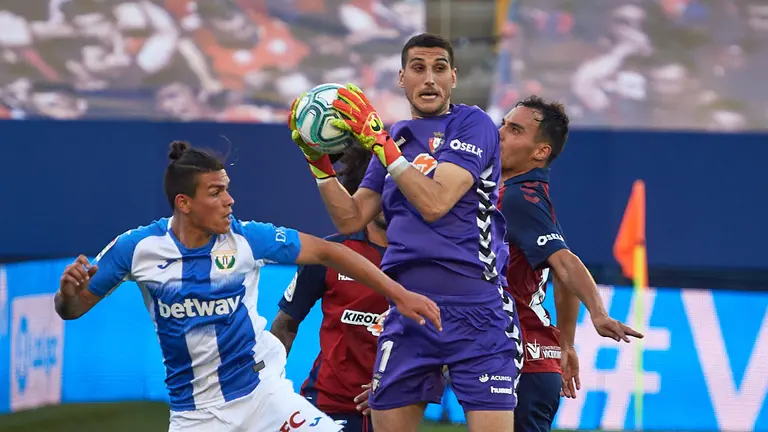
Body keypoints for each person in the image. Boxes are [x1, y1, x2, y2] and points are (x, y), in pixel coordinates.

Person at [53, 140, 441, 432]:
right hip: (197, 415)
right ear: (184, 203)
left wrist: (399, 294)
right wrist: (66, 295)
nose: (230, 201)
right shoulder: (136, 248)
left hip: (263, 395)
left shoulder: (247, 239)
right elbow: (73, 309)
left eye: (227, 188)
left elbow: (328, 252)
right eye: (216, 192)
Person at [289, 32, 520, 432]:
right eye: (418, 68)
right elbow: (350, 219)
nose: (428, 79)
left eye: (439, 69)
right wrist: (319, 164)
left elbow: (435, 203)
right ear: (402, 79)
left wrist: (382, 144)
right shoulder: (395, 137)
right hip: (409, 308)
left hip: (477, 308)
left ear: (453, 78)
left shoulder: (473, 123)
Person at [497, 95, 644, 432]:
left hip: (523, 362)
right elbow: (561, 278)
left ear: (540, 151)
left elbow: (565, 263)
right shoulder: (524, 195)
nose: (501, 133)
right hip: (529, 356)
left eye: (515, 129)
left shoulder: (520, 198)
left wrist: (598, 313)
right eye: (504, 124)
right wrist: (565, 344)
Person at [271, 147, 386, 432]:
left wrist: (400, 388)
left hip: (391, 411)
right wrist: (267, 388)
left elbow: (445, 341)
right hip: (325, 404)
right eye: (379, 189)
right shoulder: (331, 253)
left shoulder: (425, 262)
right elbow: (285, 324)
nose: (389, 199)